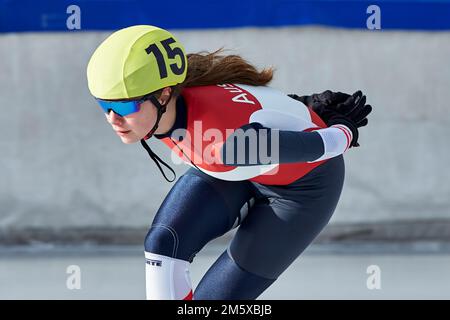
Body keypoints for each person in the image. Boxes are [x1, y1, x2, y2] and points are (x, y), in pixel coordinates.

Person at [86, 25, 372, 300]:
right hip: (237, 169)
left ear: (163, 95)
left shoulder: (222, 145)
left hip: (303, 190)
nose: (113, 118)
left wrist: (342, 129)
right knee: (162, 245)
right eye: (104, 105)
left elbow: (326, 146)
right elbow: (259, 105)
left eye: (124, 106)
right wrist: (304, 105)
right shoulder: (184, 94)